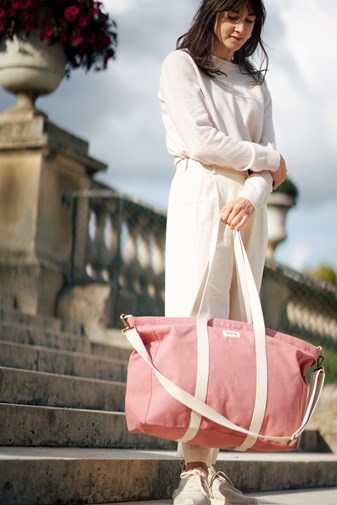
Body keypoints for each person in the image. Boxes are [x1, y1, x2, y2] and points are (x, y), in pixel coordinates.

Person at [158, 0, 287, 504]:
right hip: (200, 195)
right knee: (196, 324)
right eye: (232, 16)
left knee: (235, 333)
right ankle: (191, 470)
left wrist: (254, 195)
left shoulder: (256, 82)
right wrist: (269, 160)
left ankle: (213, 470)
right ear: (211, 14)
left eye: (250, 21)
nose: (241, 28)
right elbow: (202, 141)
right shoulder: (181, 65)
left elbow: (267, 175)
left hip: (245, 211)